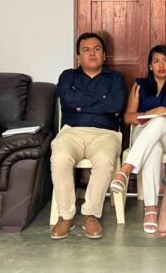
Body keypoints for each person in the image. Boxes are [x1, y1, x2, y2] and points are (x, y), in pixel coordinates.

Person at [109, 45, 166, 234]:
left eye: (165, 61)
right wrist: (149, 114)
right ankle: (151, 210)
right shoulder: (140, 85)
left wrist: (163, 111)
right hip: (145, 134)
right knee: (153, 147)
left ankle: (126, 169)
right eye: (156, 61)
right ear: (150, 66)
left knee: (161, 122)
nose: (161, 65)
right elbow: (128, 117)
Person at [50, 32, 127, 240]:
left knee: (104, 159)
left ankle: (91, 214)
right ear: (78, 56)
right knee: (59, 158)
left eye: (96, 49)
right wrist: (102, 99)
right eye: (86, 50)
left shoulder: (115, 78)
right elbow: (68, 98)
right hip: (72, 131)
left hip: (106, 133)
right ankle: (66, 216)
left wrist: (81, 103)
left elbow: (116, 104)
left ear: (104, 55)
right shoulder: (68, 76)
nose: (92, 53)